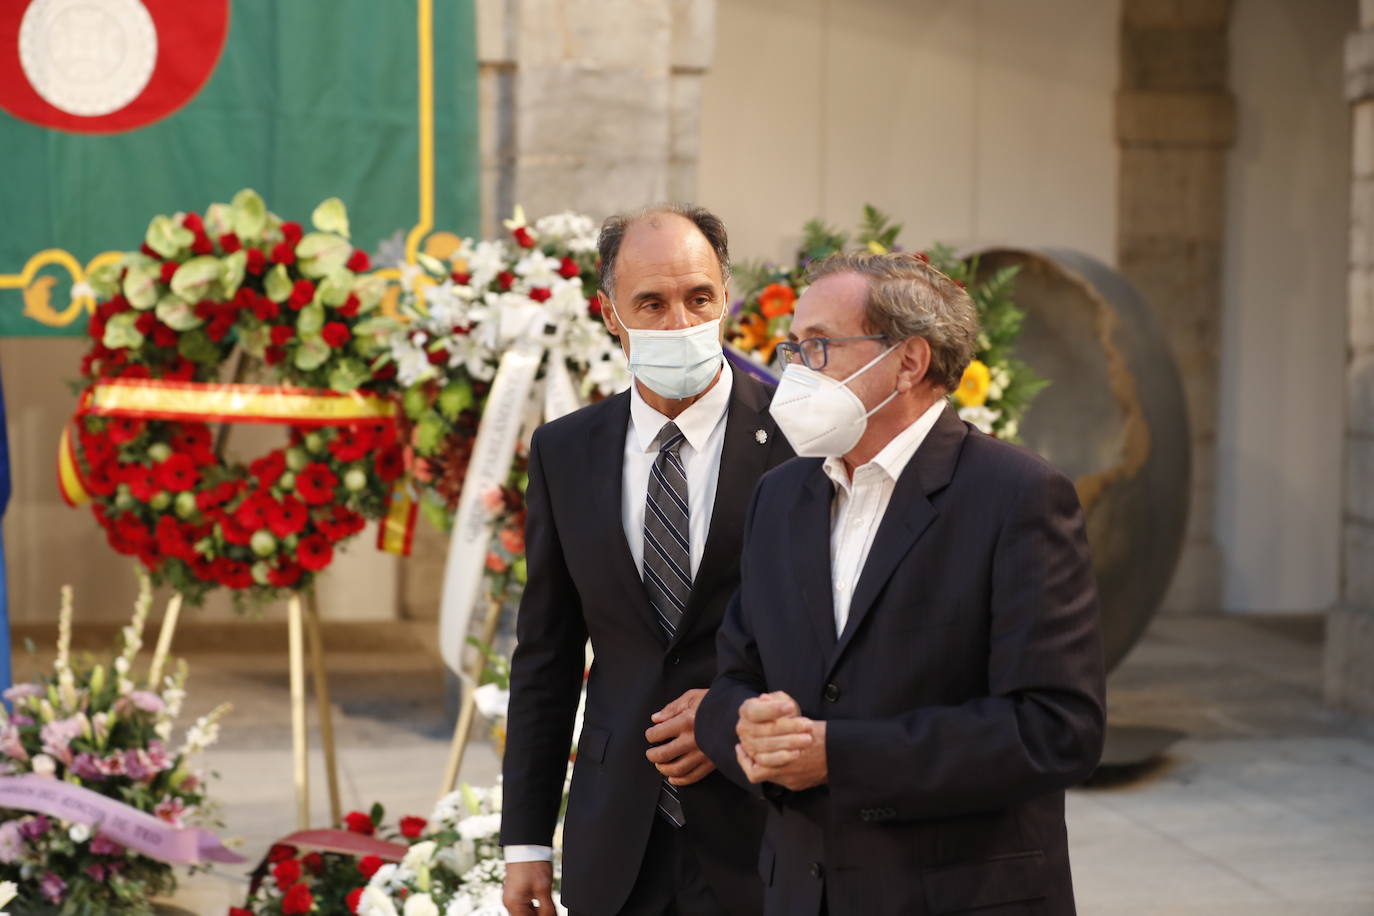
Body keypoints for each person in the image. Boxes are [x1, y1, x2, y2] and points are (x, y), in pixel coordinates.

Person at [695, 250, 1106, 916]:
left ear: (909, 362)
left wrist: (842, 756)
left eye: (819, 346)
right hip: (801, 891)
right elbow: (733, 678)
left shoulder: (1018, 496)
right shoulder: (780, 495)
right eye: (792, 347)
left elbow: (1056, 729)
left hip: (955, 893)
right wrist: (743, 728)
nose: (794, 370)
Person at [500, 204, 793, 916]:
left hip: (765, 825)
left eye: (698, 298)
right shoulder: (565, 452)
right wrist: (527, 843)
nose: (679, 323)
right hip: (616, 834)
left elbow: (839, 636)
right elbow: (546, 654)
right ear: (609, 313)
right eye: (651, 304)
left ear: (727, 296)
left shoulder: (799, 439)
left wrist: (732, 718)